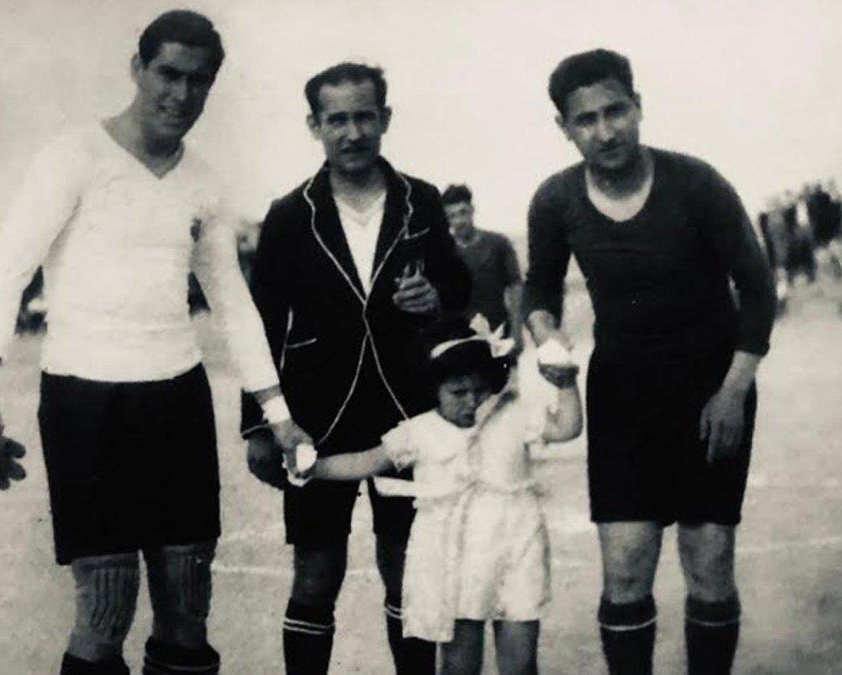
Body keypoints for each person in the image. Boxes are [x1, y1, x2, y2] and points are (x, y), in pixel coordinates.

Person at [0, 11, 310, 675]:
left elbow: (233, 302)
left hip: (177, 395)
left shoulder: (203, 180)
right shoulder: (72, 157)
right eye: (168, 73)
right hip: (86, 398)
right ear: (136, 69)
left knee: (187, 607)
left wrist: (278, 414)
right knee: (105, 610)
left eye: (199, 81)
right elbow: (8, 269)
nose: (181, 93)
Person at [523, 49, 776, 674]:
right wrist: (545, 334)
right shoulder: (555, 200)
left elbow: (758, 287)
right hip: (624, 396)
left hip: (712, 391)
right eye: (586, 120)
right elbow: (540, 290)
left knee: (709, 557)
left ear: (639, 108)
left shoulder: (696, 183)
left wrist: (733, 392)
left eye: (616, 111)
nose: (605, 130)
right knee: (627, 568)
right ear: (565, 128)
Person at [241, 62, 471, 674]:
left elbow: (457, 285)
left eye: (363, 117)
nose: (351, 132)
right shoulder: (290, 213)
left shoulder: (420, 199)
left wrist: (438, 301)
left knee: (408, 571)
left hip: (407, 406)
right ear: (314, 125)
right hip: (319, 413)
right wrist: (260, 426)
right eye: (336, 119)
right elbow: (259, 322)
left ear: (385, 119)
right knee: (316, 575)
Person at [300, 315, 582, 675]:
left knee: (521, 663)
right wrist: (315, 468)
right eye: (458, 393)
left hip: (518, 543)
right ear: (435, 389)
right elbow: (365, 461)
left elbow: (568, 427)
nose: (471, 402)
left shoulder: (513, 413)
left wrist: (567, 384)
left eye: (480, 391)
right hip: (458, 556)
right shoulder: (419, 430)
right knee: (460, 664)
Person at [441, 184, 524, 358]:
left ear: (472, 210)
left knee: (507, 384)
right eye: (451, 216)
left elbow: (516, 286)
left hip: (499, 334)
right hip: (459, 337)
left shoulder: (498, 243)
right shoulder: (444, 250)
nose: (459, 221)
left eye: (463, 212)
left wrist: (517, 332)